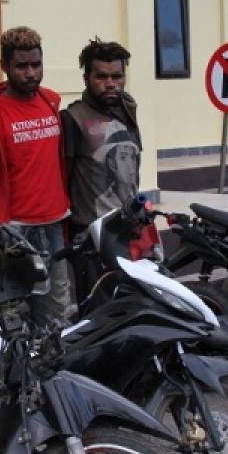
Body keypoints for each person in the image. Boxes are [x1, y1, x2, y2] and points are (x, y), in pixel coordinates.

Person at [0, 26, 74, 323]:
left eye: (36, 65)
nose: (31, 74)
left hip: (54, 224)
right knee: (17, 316)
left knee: (57, 313)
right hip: (14, 232)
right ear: (4, 67)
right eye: (21, 66)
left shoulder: (51, 102)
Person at [61, 38, 142, 298]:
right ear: (86, 78)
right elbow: (63, 176)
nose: (110, 84)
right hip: (92, 237)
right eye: (101, 76)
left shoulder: (128, 110)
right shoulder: (73, 118)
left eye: (117, 76)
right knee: (98, 312)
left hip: (129, 230)